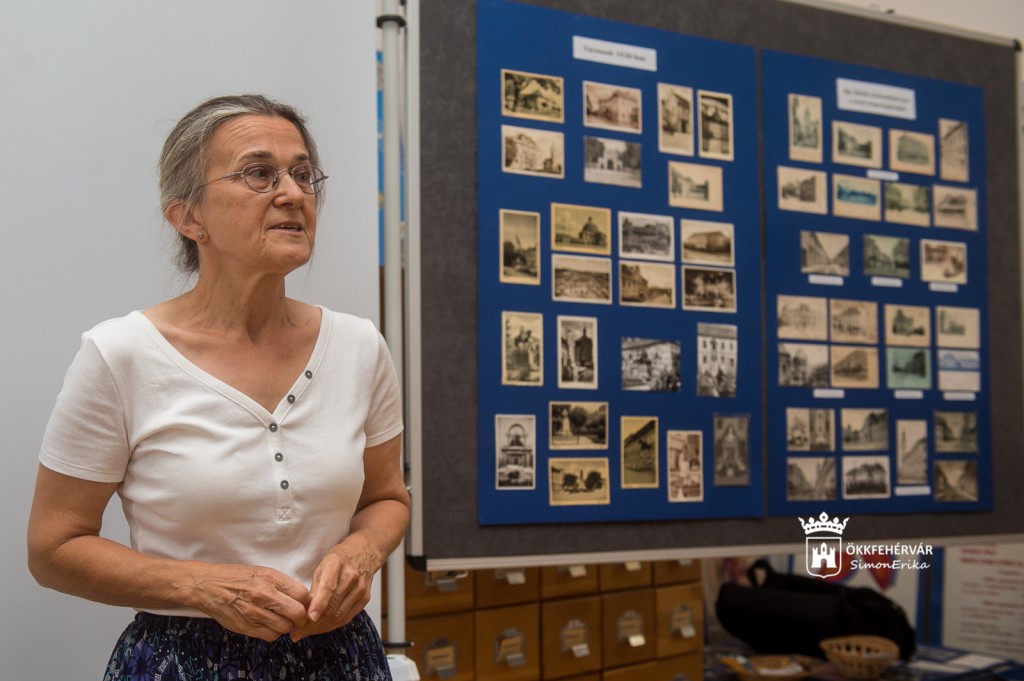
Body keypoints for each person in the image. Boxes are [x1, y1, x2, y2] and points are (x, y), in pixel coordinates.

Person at [26, 94, 409, 680]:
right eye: (259, 173)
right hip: (182, 661)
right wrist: (202, 586)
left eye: (303, 174)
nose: (293, 193)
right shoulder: (120, 355)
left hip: (341, 657)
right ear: (188, 218)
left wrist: (361, 552)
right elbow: (53, 548)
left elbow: (387, 498)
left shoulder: (359, 346)